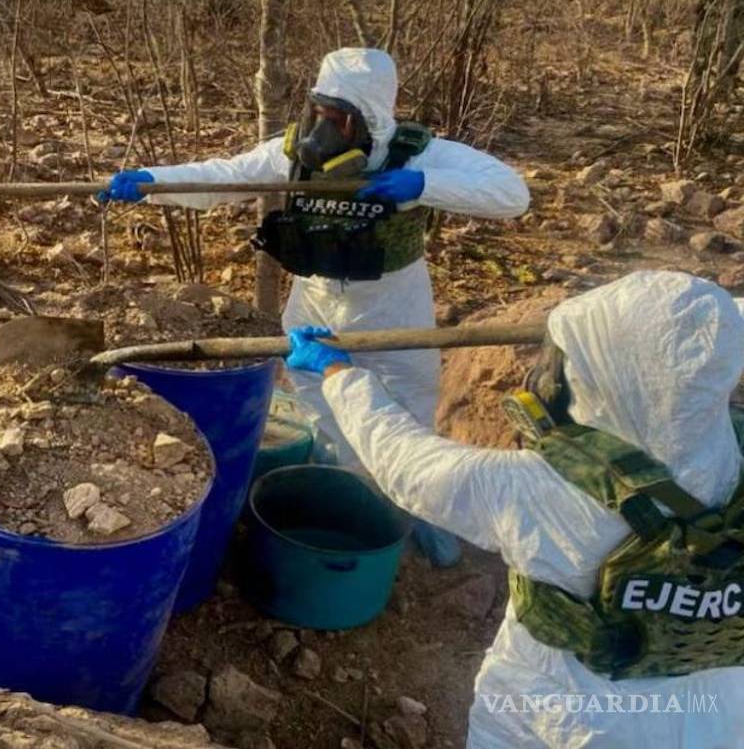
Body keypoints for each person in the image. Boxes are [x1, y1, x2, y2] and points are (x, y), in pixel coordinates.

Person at [100, 47, 530, 566]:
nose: (324, 129)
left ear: (370, 119)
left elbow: (512, 194)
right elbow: (225, 177)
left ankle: (423, 512)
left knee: (410, 411)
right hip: (317, 302)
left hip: (394, 304)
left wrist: (425, 186)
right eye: (320, 113)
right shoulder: (293, 154)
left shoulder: (418, 154)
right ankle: (343, 500)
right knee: (320, 411)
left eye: (339, 119)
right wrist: (152, 183)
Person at [286, 270, 744, 747]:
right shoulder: (733, 459)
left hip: (566, 720)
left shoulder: (542, 490)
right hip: (715, 715)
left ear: (617, 373)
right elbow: (710, 334)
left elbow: (406, 463)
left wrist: (338, 373)